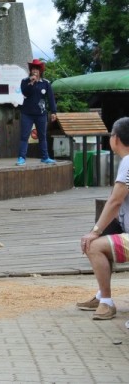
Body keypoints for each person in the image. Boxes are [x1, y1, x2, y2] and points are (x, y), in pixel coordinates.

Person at [76, 116, 129, 320]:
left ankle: (106, 302)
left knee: (93, 245)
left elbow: (116, 201)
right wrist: (99, 229)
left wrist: (95, 232)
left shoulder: (128, 161)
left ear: (115, 139)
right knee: (100, 234)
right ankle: (101, 295)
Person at [16, 59, 57, 166]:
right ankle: (21, 157)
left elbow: (51, 98)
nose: (35, 71)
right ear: (30, 70)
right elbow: (25, 92)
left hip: (41, 113)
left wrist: (53, 111)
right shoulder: (25, 81)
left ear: (40, 71)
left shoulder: (46, 83)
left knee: (42, 136)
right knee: (24, 136)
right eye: (33, 69)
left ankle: (45, 157)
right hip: (27, 113)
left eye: (37, 69)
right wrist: (31, 82)